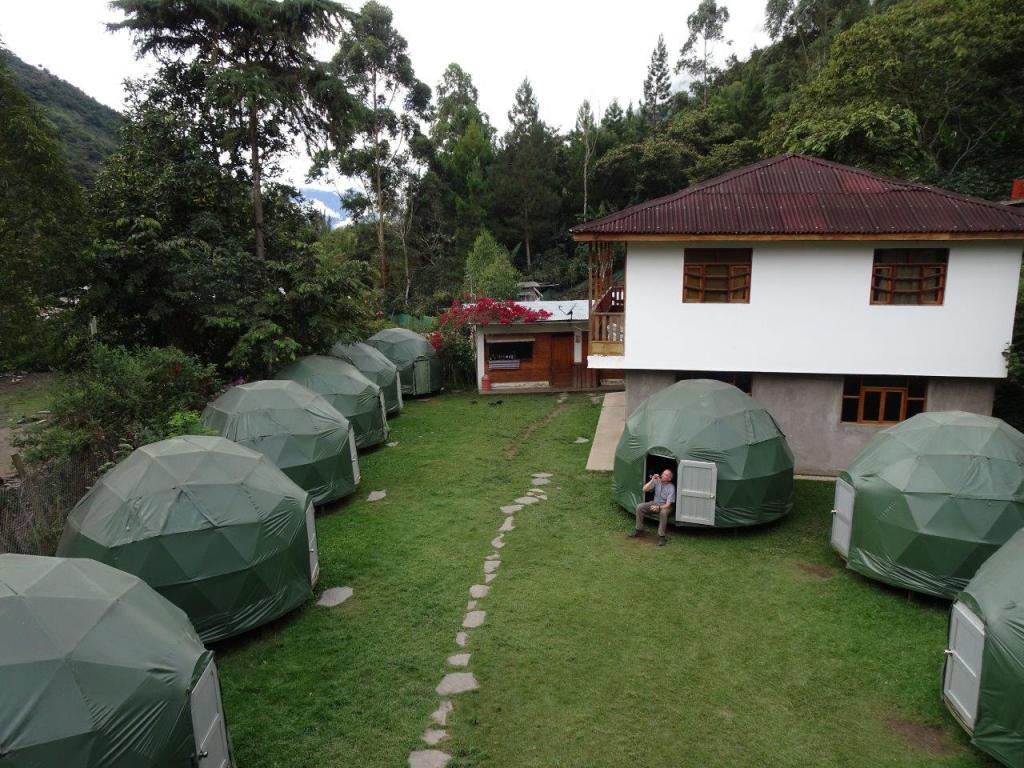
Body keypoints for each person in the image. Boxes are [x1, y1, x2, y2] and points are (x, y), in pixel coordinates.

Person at [629, 469, 675, 546]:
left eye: (666, 475)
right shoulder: (657, 482)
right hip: (655, 503)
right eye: (663, 473)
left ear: (669, 479)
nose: (663, 475)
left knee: (663, 513)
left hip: (665, 506)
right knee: (640, 507)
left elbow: (668, 505)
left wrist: (658, 507)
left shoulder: (671, 487)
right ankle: (639, 530)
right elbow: (644, 489)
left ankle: (662, 537)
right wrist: (652, 480)